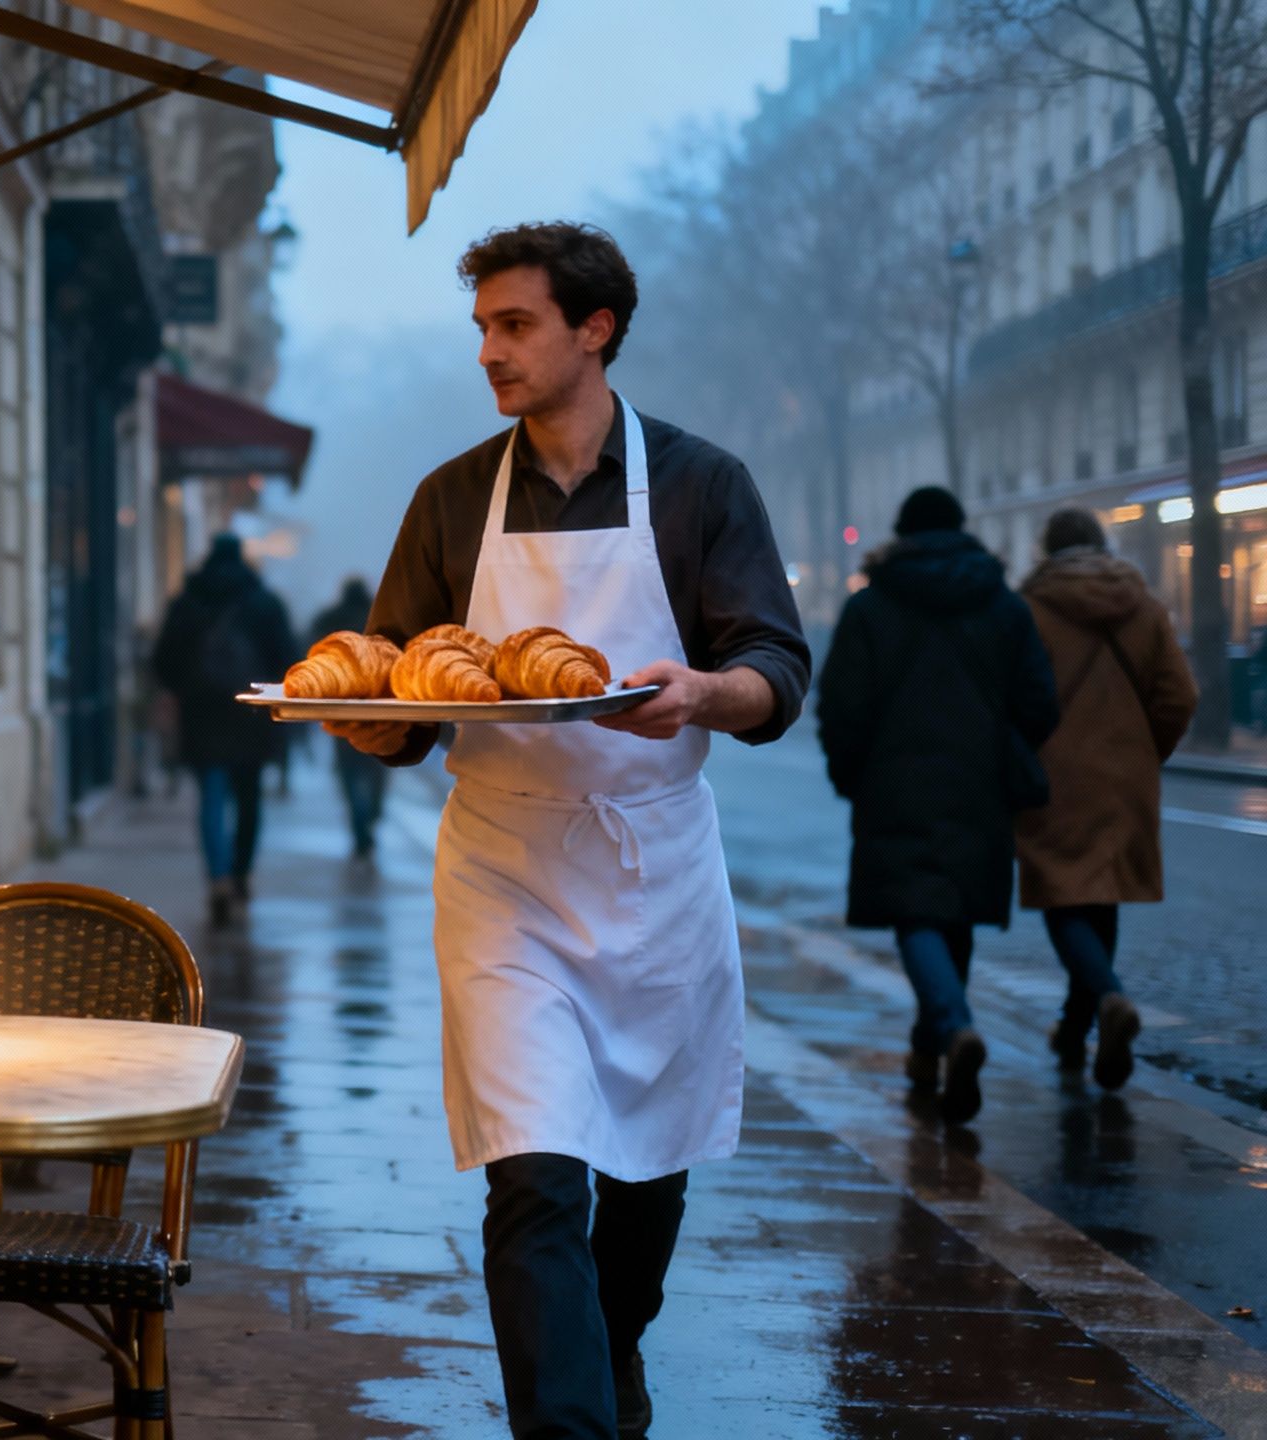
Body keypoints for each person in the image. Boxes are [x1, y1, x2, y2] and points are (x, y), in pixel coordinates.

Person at [334, 223, 812, 1440]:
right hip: (501, 862)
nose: (488, 352)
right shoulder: (450, 497)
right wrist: (357, 720)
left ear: (592, 329)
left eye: (514, 325)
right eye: (482, 328)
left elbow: (774, 666)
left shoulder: (702, 485)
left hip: (653, 866)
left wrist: (706, 693)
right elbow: (398, 677)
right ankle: (569, 1426)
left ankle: (612, 1343)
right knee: (534, 1172)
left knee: (646, 1172)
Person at [816, 486, 1057, 1126]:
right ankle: (932, 1050)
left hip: (895, 778)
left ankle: (951, 1028)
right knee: (953, 912)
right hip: (978, 779)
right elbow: (1040, 701)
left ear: (900, 533)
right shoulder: (1003, 605)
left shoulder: (870, 607)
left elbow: (839, 704)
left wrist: (851, 773)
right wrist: (1000, 745)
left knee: (915, 911)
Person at [1015, 508, 1196, 1088]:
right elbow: (1179, 696)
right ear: (1102, 543)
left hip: (1055, 773)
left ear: (1047, 547)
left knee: (1063, 898)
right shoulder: (1143, 606)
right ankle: (1076, 1025)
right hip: (1125, 776)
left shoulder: (1031, 609)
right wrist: (1145, 753)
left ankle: (1108, 1000)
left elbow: (1012, 696)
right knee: (1103, 895)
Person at [151, 534, 296, 927]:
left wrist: (184, 688)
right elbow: (289, 658)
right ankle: (241, 873)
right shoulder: (263, 603)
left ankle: (217, 877)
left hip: (203, 715)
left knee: (211, 796)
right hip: (251, 714)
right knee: (249, 799)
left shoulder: (189, 602)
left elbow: (163, 659)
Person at [312, 576, 391, 866]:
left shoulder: (332, 619)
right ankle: (370, 815)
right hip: (380, 709)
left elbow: (312, 644)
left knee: (349, 771)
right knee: (378, 768)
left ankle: (359, 820)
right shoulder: (381, 617)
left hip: (343, 710)